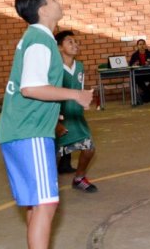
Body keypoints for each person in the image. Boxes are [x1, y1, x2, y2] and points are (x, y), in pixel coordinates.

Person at [0, 0, 93, 249]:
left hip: (17, 132)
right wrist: (76, 95)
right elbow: (31, 88)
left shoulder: (35, 38)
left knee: (36, 203)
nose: (58, 0)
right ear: (43, 9)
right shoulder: (40, 41)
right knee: (46, 203)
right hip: (30, 133)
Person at [54, 31, 98, 193]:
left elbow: (78, 90)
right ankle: (49, 186)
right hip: (58, 118)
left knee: (89, 148)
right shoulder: (54, 68)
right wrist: (55, 122)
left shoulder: (79, 66)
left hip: (76, 116)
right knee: (55, 155)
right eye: (69, 42)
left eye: (76, 41)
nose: (75, 44)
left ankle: (79, 178)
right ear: (59, 47)